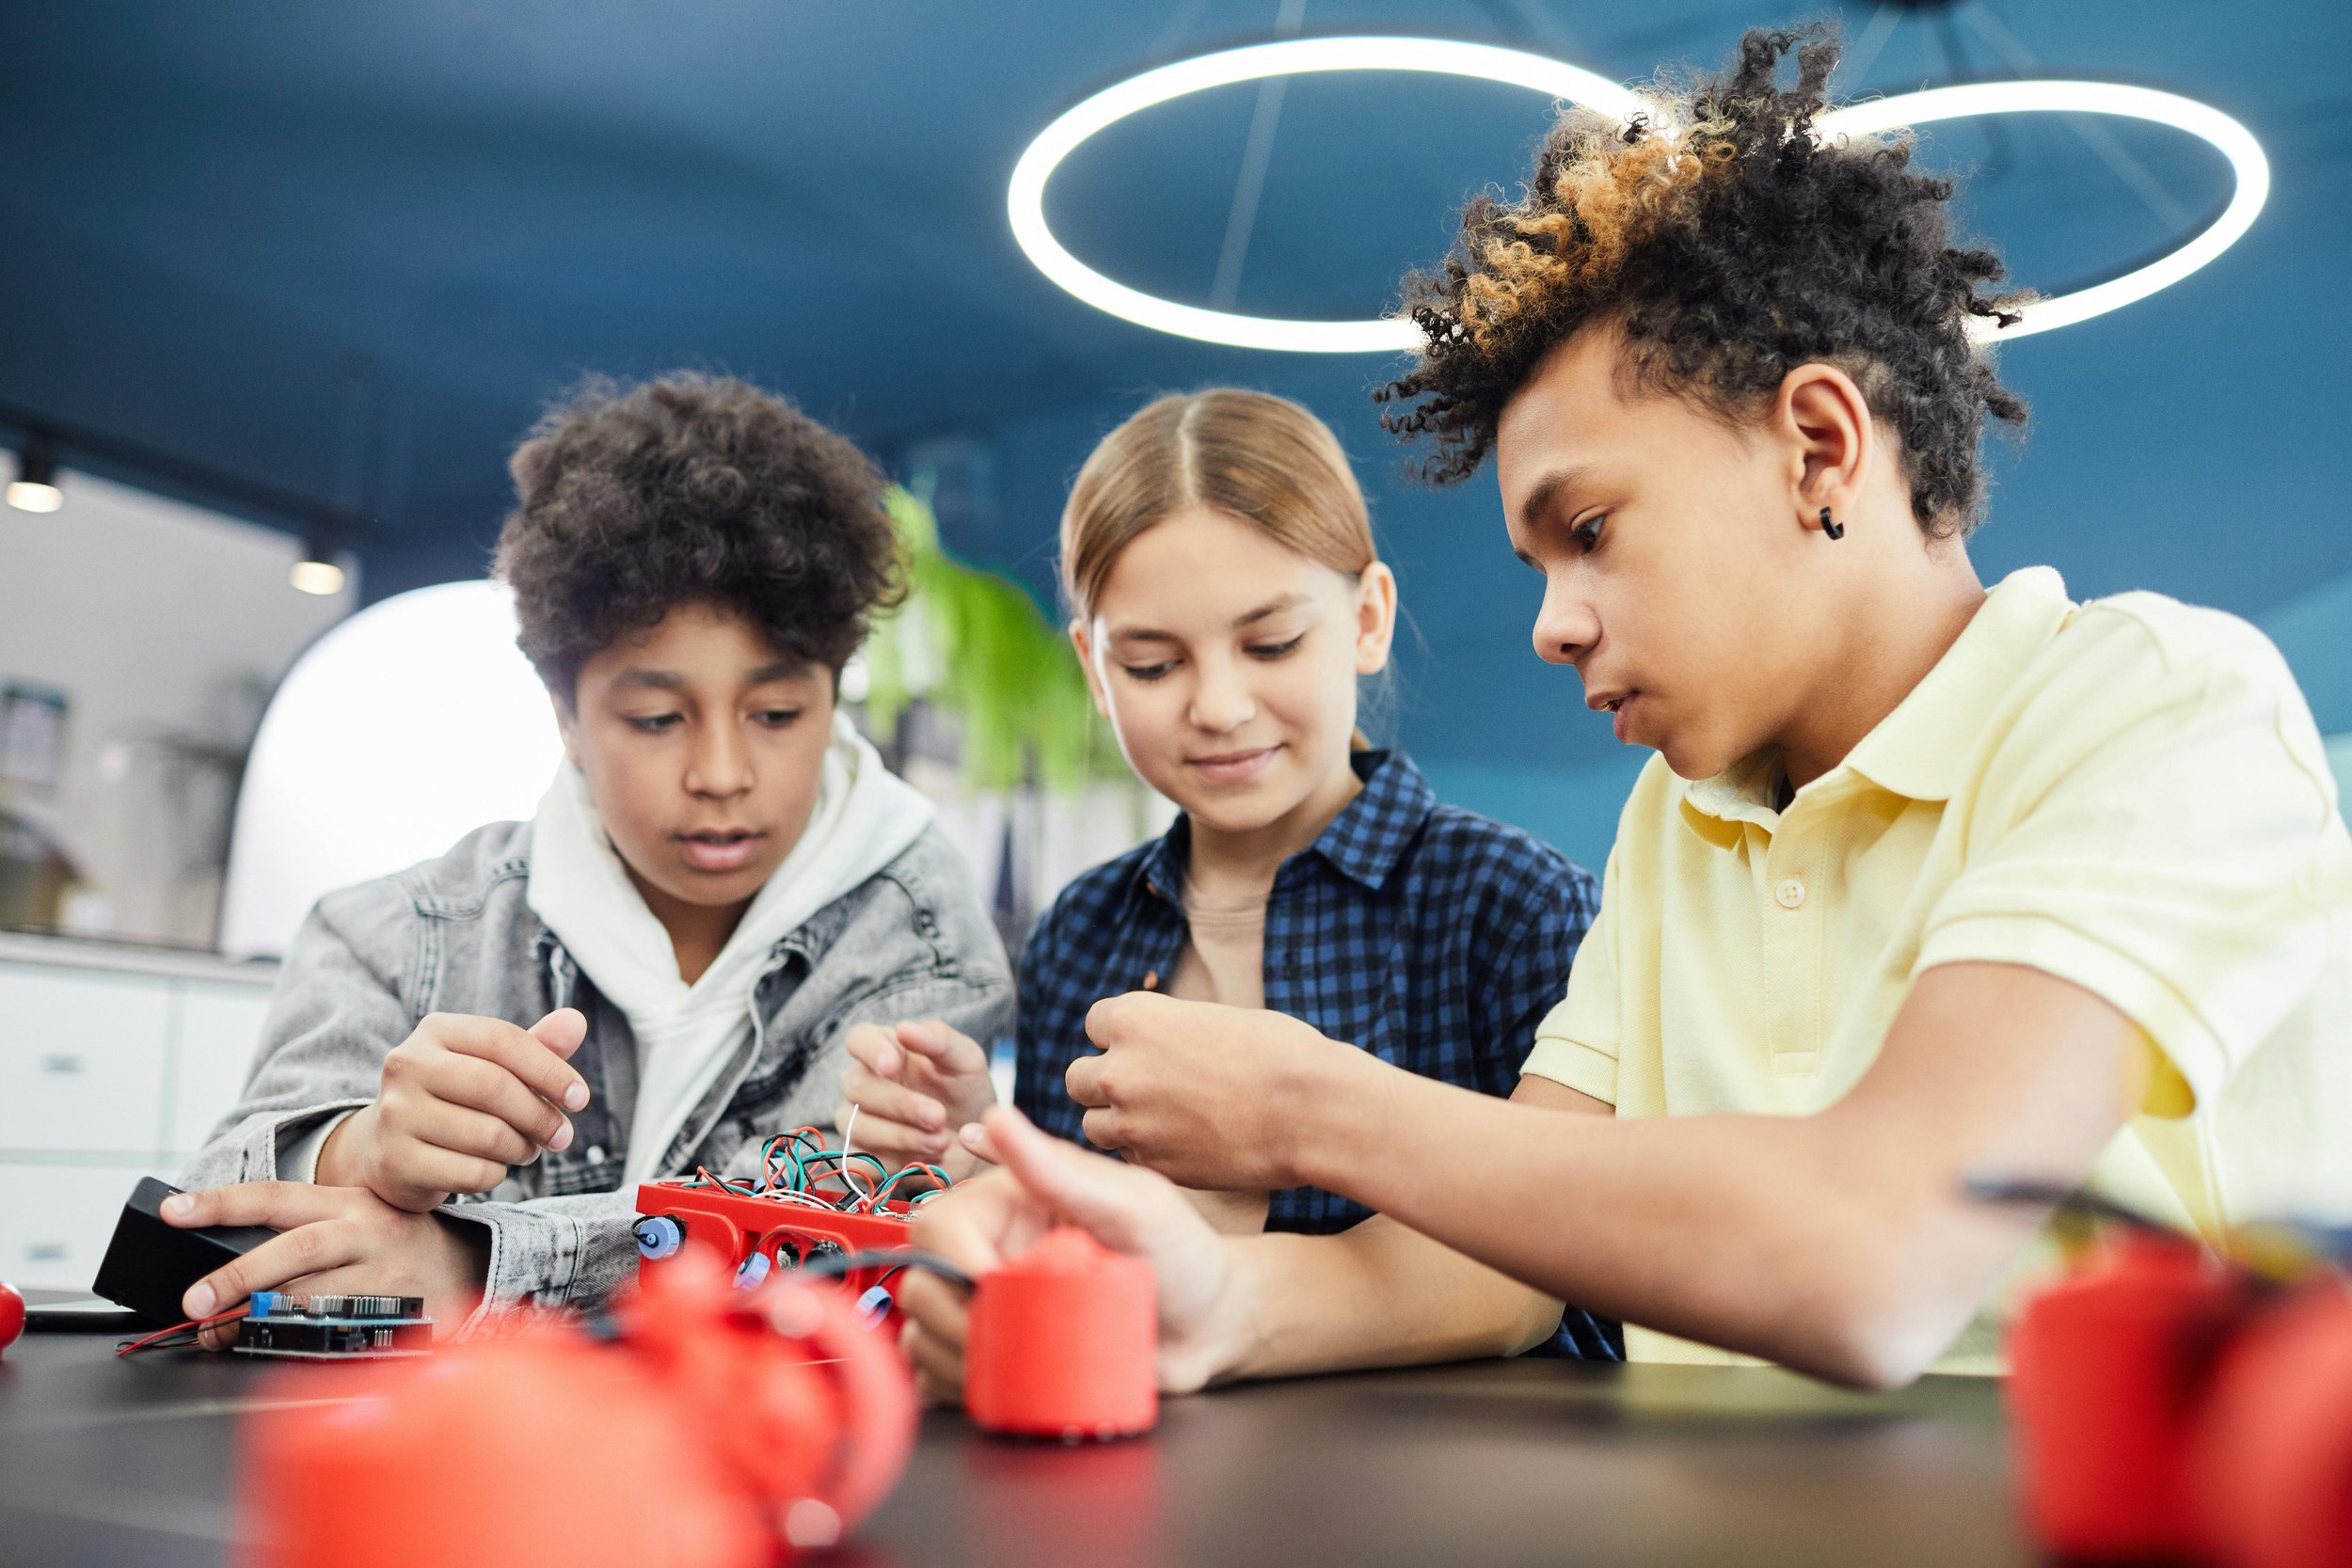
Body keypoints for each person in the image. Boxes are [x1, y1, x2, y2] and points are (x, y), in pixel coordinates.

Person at [896, 28, 2352, 1395]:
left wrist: (1309, 1108)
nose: (1550, 621)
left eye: (1587, 529)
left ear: (1820, 448)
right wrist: (1216, 1304)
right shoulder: (1683, 813)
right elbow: (1497, 1255)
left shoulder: (2158, 705)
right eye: (1537, 564)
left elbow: (1878, 1251)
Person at [167, 373, 1013, 1338]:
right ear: (565, 715)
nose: (723, 772)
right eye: (656, 717)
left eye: (778, 714)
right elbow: (204, 1220)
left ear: (833, 696)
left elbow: (807, 1253)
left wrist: (469, 1260)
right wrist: (355, 1149)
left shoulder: (918, 936)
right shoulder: (398, 935)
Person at [838, 388, 1618, 1357]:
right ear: (1092, 669)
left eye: (1271, 643)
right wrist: (983, 1145)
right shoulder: (1084, 928)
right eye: (1154, 664)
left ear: (1368, 617)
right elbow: (1079, 1262)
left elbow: (1572, 1265)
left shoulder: (1513, 901)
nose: (1218, 704)